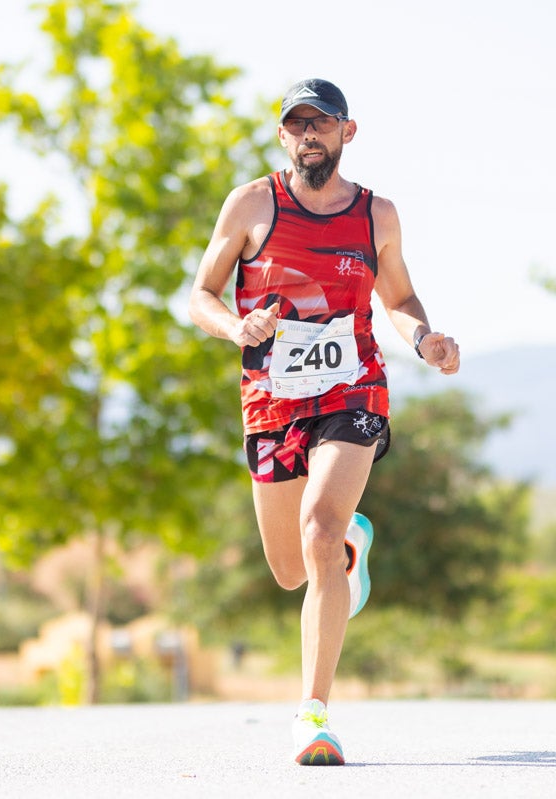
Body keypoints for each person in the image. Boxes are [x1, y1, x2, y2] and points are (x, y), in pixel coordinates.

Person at [187, 78, 460, 765]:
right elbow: (200, 294)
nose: (308, 134)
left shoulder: (377, 215)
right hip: (271, 400)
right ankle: (345, 555)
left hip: (353, 390)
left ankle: (314, 714)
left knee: (319, 527)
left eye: (322, 123)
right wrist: (233, 325)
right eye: (296, 124)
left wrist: (424, 336)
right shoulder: (252, 203)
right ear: (283, 136)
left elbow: (398, 296)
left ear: (347, 132)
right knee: (289, 569)